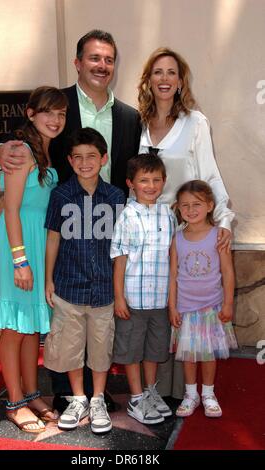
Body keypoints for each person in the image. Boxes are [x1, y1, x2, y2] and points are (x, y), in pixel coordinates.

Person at [0, 29, 141, 412]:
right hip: (55, 232)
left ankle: (90, 391)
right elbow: (16, 151)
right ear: (78, 63)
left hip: (99, 228)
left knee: (76, 314)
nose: (101, 65)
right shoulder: (59, 102)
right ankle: (62, 391)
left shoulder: (128, 116)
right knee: (52, 317)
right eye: (94, 58)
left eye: (108, 59)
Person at [137, 47, 235, 399]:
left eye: (171, 73)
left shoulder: (195, 122)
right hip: (147, 232)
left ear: (180, 82)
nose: (164, 79)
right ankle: (155, 389)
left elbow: (210, 175)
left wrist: (222, 219)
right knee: (157, 308)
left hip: (184, 229)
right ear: (149, 80)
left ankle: (186, 389)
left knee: (185, 308)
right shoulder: (137, 123)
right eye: (158, 72)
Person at [0, 86, 68, 432]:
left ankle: (33, 393)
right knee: (14, 326)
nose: (55, 119)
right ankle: (15, 400)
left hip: (36, 242)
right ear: (31, 114)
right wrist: (20, 260)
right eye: (48, 112)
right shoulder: (20, 151)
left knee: (32, 325)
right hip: (16, 244)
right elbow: (11, 208)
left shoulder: (46, 152)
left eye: (61, 114)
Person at [43, 127, 125, 434]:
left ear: (103, 158)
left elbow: (121, 248)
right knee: (71, 347)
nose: (84, 162)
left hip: (104, 288)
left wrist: (120, 289)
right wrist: (49, 279)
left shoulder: (117, 196)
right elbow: (52, 239)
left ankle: (98, 398)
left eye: (91, 156)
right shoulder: (61, 195)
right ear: (69, 160)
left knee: (101, 348)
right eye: (77, 157)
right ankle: (78, 398)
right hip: (68, 286)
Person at [110, 154, 176, 424]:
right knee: (132, 350)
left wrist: (173, 301)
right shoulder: (127, 216)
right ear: (131, 183)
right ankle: (136, 397)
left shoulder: (169, 214)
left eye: (156, 180)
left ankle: (150, 392)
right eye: (143, 180)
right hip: (133, 299)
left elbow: (173, 259)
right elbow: (120, 259)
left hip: (159, 300)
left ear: (164, 182)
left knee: (154, 350)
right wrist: (119, 298)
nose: (150, 186)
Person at [168, 180, 238, 417]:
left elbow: (228, 272)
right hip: (185, 308)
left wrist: (228, 303)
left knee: (207, 354)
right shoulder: (177, 238)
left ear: (209, 205)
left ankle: (208, 393)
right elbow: (173, 275)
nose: (190, 210)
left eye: (196, 204)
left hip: (211, 307)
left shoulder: (219, 235)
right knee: (188, 355)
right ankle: (191, 395)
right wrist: (172, 306)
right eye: (185, 205)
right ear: (178, 208)